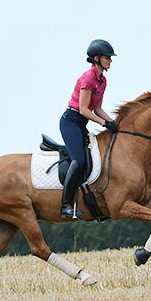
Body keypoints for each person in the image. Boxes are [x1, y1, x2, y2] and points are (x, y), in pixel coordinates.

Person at [59, 39, 119, 218]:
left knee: (94, 158)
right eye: (107, 57)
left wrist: (114, 123)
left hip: (82, 123)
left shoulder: (103, 80)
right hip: (70, 122)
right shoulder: (88, 78)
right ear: (96, 58)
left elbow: (98, 108)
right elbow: (84, 109)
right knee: (79, 161)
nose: (110, 60)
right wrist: (104, 124)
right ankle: (65, 205)